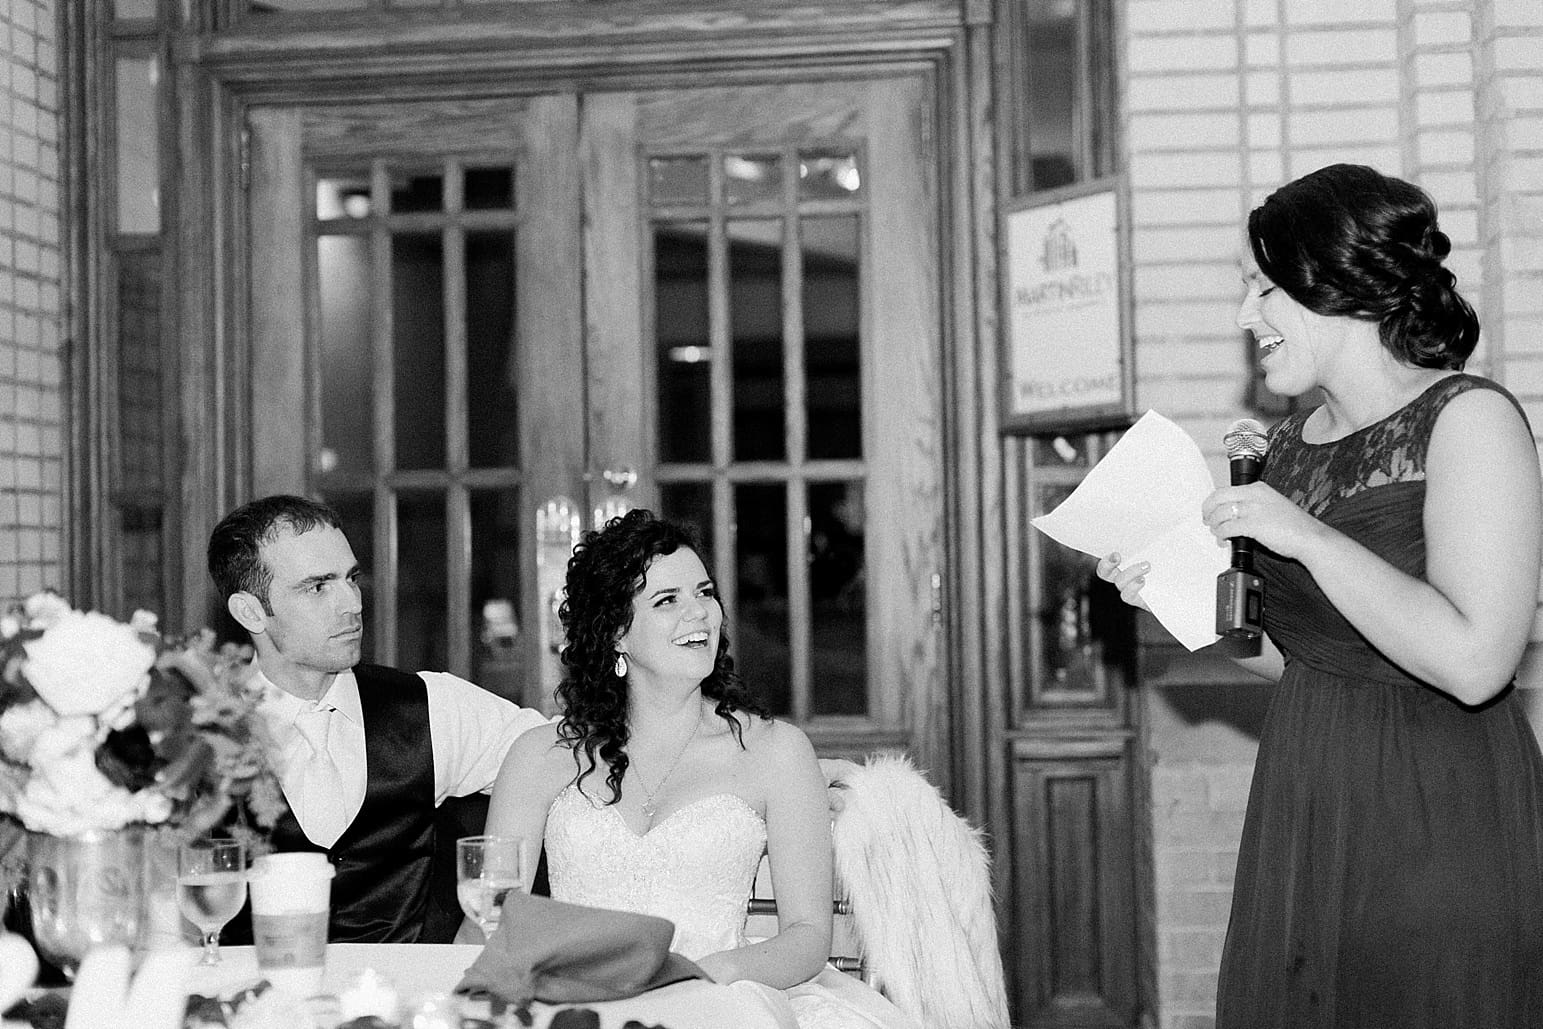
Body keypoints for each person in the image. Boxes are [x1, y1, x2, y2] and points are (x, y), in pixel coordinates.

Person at [1099, 163, 1543, 1027]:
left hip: (1437, 817)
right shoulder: (1290, 445)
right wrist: (1179, 598)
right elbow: (1312, 656)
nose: (1243, 317)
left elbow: (1476, 660)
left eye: (1261, 288)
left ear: (1341, 283)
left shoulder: (1470, 419)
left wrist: (1302, 535)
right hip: (1306, 803)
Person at [480, 509, 916, 1029]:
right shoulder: (539, 756)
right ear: (615, 633)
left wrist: (704, 975)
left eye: (704, 593)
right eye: (667, 601)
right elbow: (489, 921)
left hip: (720, 1001)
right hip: (574, 1006)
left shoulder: (777, 752)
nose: (701, 614)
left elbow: (806, 937)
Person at [208, 494, 549, 943]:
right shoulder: (195, 740)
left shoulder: (431, 707)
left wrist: (487, 919)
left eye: (351, 578)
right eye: (318, 587)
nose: (352, 603)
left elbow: (561, 751)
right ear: (250, 612)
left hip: (405, 1001)